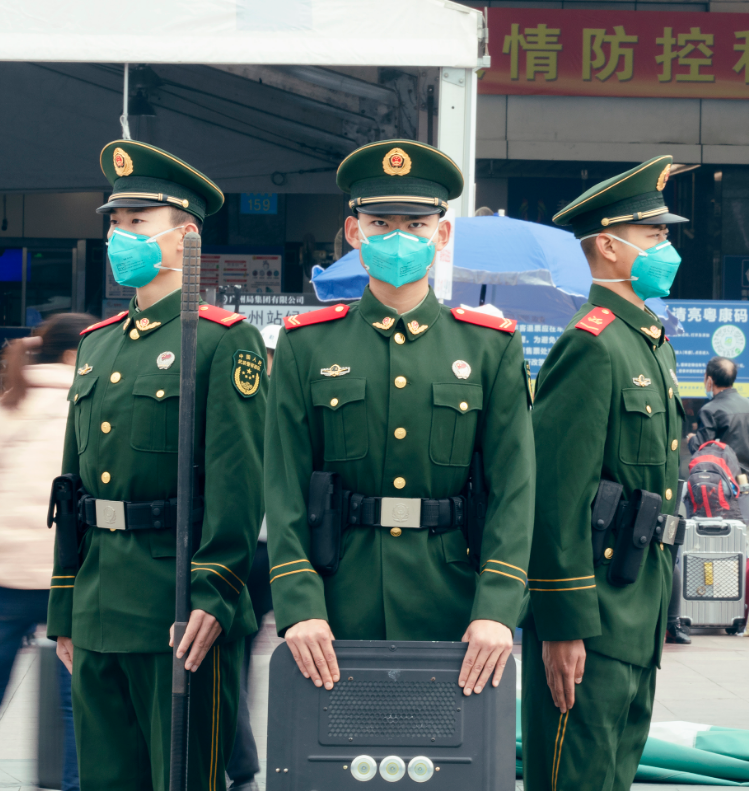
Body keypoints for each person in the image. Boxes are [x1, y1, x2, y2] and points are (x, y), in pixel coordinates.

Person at [264, 139, 535, 702]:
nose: (397, 237)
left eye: (415, 224)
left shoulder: (489, 347)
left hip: (454, 606)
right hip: (338, 610)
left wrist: (496, 607)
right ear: (352, 232)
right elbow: (282, 485)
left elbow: (516, 488)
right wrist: (299, 605)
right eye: (380, 222)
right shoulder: (306, 345)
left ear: (442, 235)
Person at [46, 140, 266, 791]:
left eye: (137, 223)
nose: (120, 236)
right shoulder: (97, 345)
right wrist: (65, 608)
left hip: (178, 610)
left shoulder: (224, 341)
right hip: (99, 605)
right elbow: (70, 487)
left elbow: (237, 480)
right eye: (115, 222)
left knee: (184, 780)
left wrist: (215, 592)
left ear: (182, 238)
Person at [522, 155, 688, 791]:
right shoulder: (590, 345)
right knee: (577, 774)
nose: (667, 249)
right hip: (592, 611)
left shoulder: (649, 342)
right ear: (609, 247)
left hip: (637, 603)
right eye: (655, 236)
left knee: (615, 771)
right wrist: (561, 623)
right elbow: (557, 497)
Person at [0, 314, 95, 791]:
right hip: (67, 578)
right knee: (74, 703)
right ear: (74, 356)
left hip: (2, 577)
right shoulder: (89, 407)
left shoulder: (0, 409)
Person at [224, 324, 281, 791]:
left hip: (246, 552)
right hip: (282, 553)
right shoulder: (298, 403)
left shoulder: (244, 400)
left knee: (232, 660)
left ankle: (241, 767)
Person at [687, 356, 749, 481]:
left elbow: (699, 450)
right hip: (744, 484)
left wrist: (691, 439)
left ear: (709, 380)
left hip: (718, 486)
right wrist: (745, 471)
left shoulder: (710, 410)